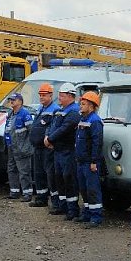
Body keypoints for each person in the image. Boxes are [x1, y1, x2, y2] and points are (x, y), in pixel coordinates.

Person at [44, 82, 81, 219]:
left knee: (69, 179)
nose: (59, 98)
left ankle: (72, 210)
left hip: (68, 151)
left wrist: (50, 139)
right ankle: (62, 206)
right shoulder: (60, 110)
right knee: (59, 178)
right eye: (59, 95)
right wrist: (48, 137)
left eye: (62, 96)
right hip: (58, 150)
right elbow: (52, 125)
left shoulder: (74, 112)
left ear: (71, 96)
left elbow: (64, 129)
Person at [73, 91, 104, 228]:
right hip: (81, 161)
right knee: (84, 189)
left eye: (83, 104)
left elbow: (97, 142)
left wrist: (93, 161)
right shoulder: (83, 119)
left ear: (91, 106)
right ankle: (87, 213)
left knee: (92, 190)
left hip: (89, 163)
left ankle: (96, 217)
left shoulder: (95, 121)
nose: (80, 106)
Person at [29, 83, 60, 211]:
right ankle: (41, 198)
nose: (41, 97)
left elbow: (52, 127)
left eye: (44, 95)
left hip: (47, 148)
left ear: (51, 95)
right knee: (38, 173)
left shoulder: (55, 109)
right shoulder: (40, 109)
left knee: (50, 175)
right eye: (40, 95)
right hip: (37, 147)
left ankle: (55, 201)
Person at [3, 93, 34, 201]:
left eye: (14, 100)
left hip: (22, 148)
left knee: (24, 171)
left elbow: (32, 131)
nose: (11, 101)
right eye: (10, 99)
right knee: (11, 169)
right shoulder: (10, 113)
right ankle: (14, 191)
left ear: (20, 101)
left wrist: (27, 146)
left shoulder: (25, 114)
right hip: (11, 147)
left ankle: (27, 193)